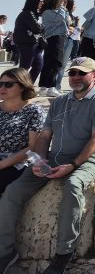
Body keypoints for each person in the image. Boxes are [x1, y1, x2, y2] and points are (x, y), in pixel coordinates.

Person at [0, 57, 95, 274]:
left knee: (73, 185)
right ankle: (5, 253)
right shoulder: (60, 101)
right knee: (13, 191)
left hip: (88, 158)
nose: (75, 77)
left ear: (94, 75)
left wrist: (73, 165)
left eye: (81, 73)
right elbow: (45, 136)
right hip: (55, 157)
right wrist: (41, 160)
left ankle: (64, 253)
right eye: (72, 73)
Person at [0, 68, 45, 196]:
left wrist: (1, 164)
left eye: (8, 84)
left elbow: (32, 147)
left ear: (22, 87)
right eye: (0, 84)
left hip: (16, 163)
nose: (2, 88)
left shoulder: (34, 111)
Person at [38, 0, 70, 97]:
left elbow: (67, 21)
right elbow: (59, 19)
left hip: (59, 37)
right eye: (59, 1)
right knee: (55, 62)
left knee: (50, 62)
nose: (61, 2)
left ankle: (44, 88)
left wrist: (64, 9)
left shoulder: (58, 11)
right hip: (54, 37)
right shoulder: (47, 12)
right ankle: (51, 87)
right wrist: (62, 8)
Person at [13, 0, 43, 82]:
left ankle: (27, 86)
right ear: (34, 2)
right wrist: (43, 26)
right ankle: (17, 86)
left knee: (38, 65)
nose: (42, 3)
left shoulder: (33, 13)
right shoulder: (28, 13)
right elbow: (37, 29)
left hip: (33, 43)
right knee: (24, 67)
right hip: (27, 43)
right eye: (41, 1)